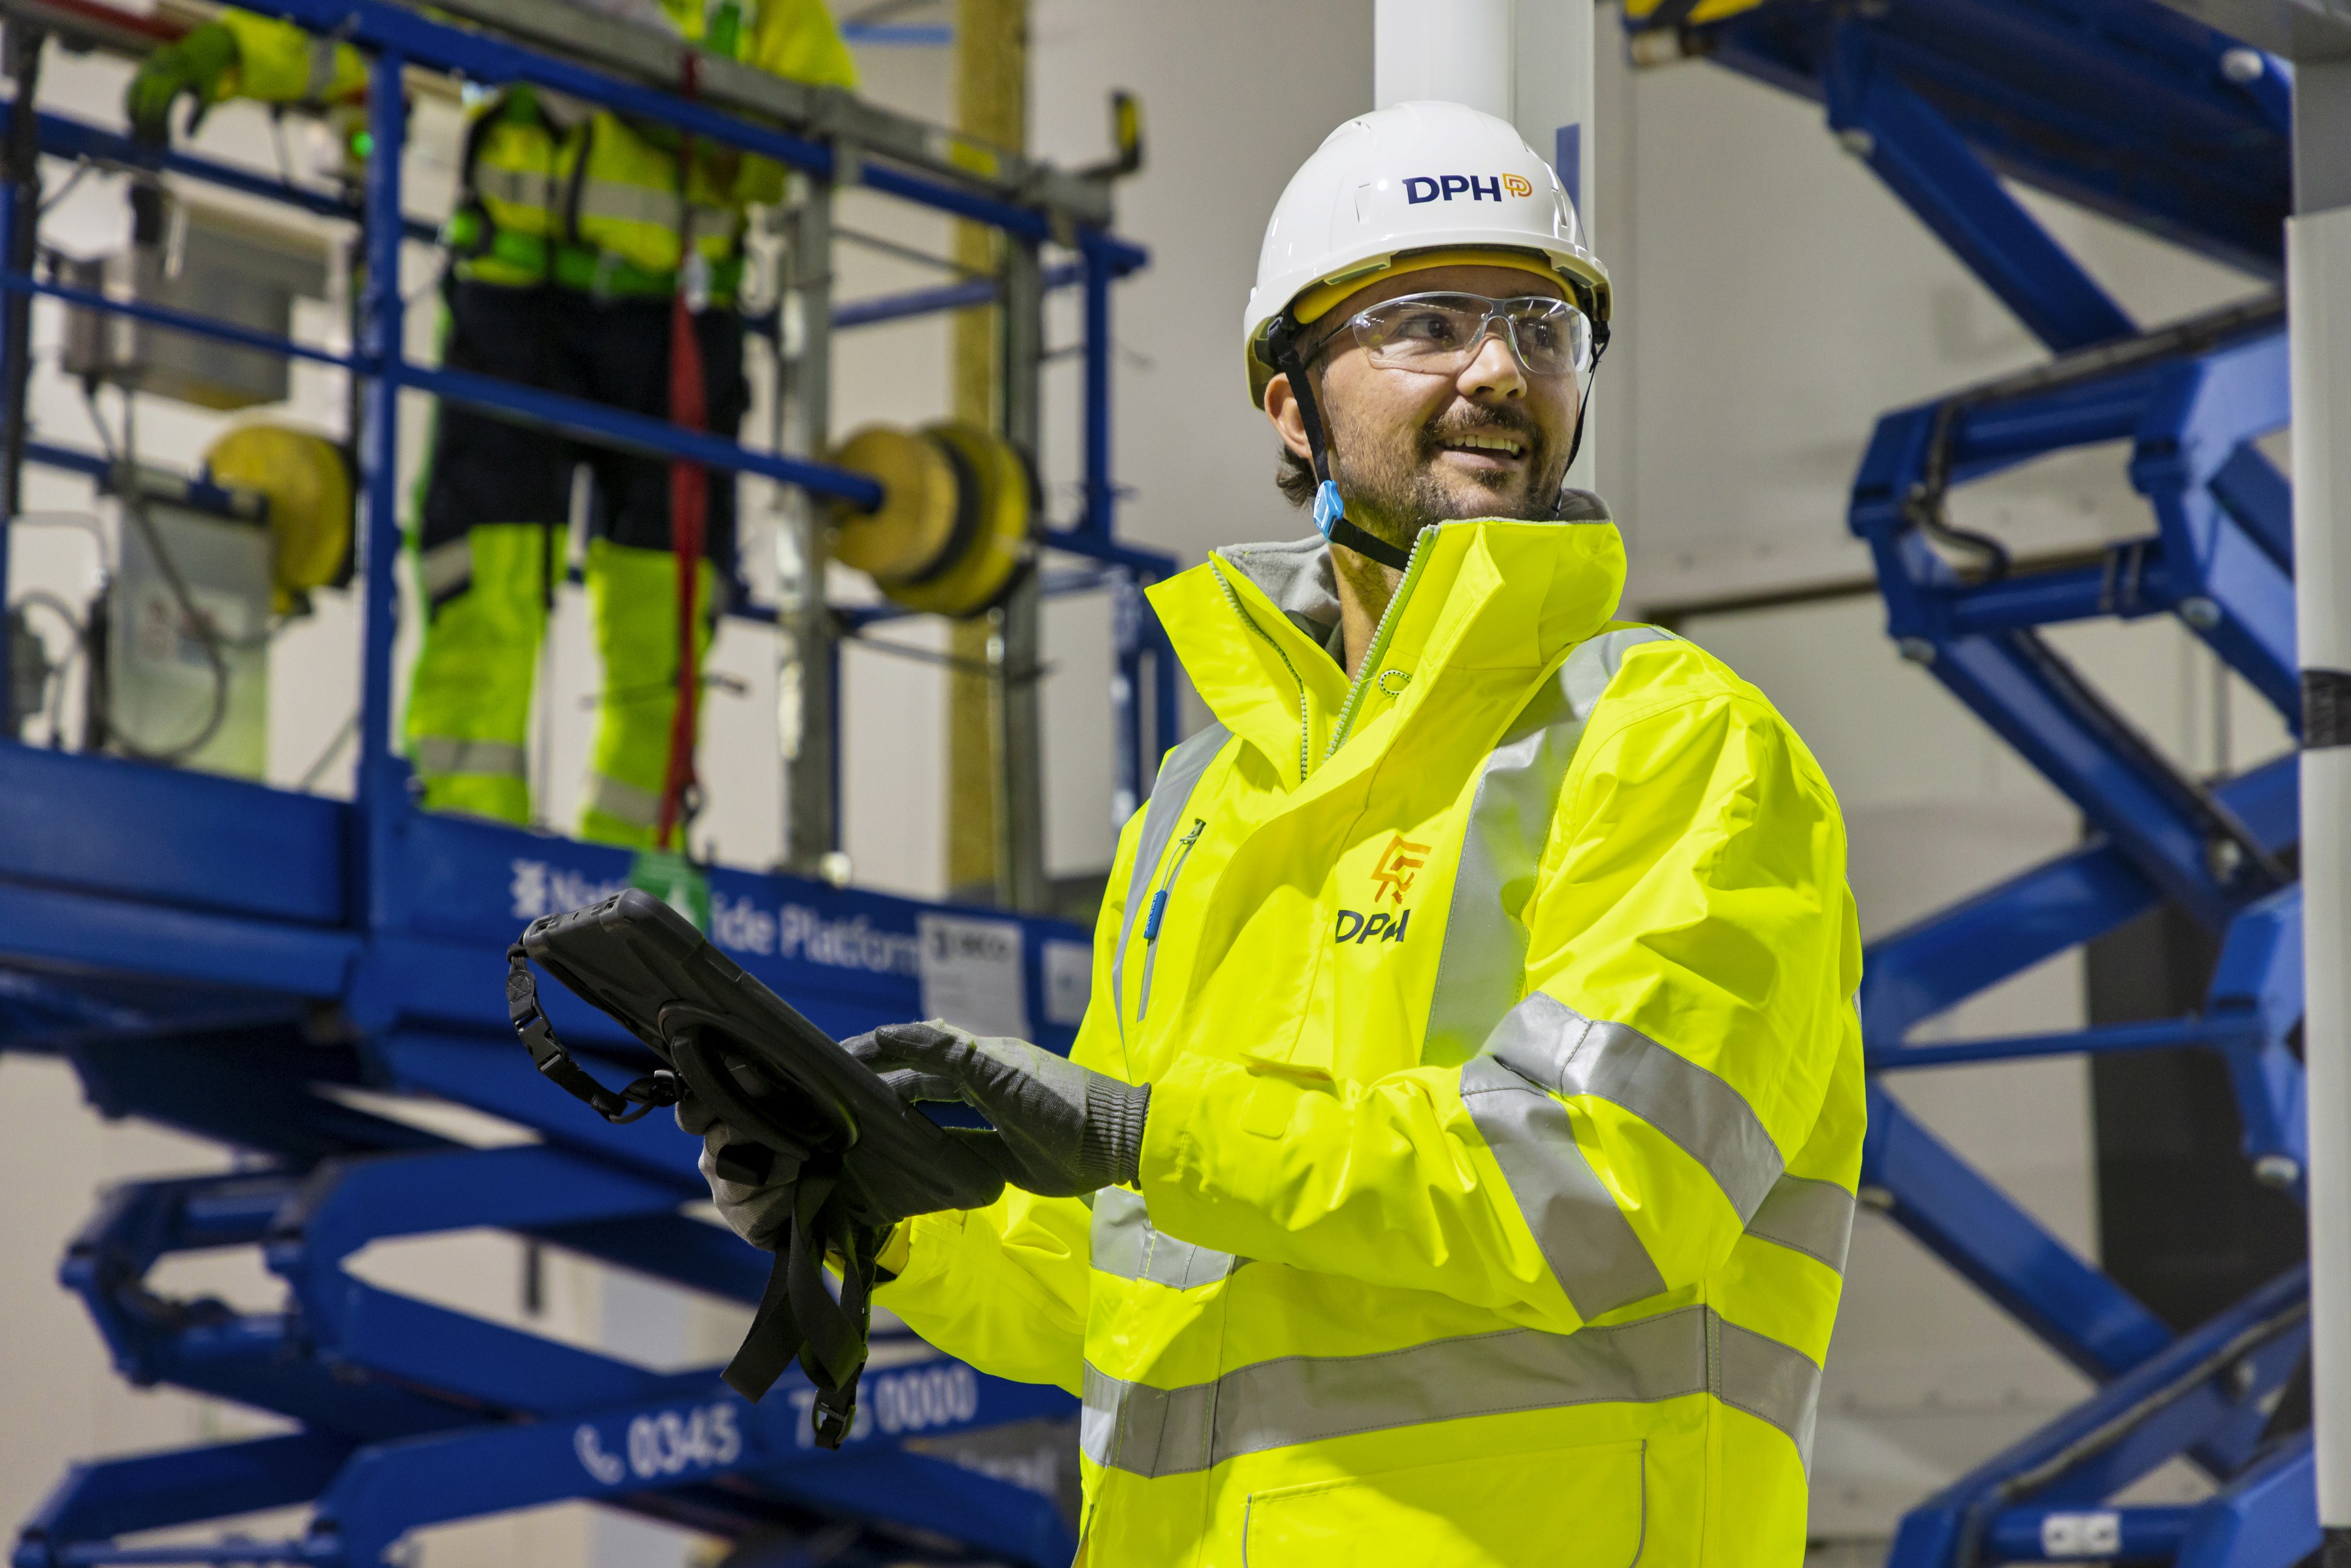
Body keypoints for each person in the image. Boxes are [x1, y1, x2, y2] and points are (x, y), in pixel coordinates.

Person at [697, 100, 1864, 1565]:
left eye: (1543, 328)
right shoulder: (1202, 803)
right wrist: (881, 1215)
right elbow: (1125, 1288)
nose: (1500, 370)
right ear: (1291, 405)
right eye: (1426, 323)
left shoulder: (1672, 742)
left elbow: (1605, 1187)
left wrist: (1140, 1130)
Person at [125, 0, 857, 844]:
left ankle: (631, 892)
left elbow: (822, 137)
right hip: (515, 297)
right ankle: (466, 856)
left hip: (679, 331)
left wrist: (692, 115)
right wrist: (235, 48)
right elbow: (366, 19)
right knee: (481, 588)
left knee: (666, 621)